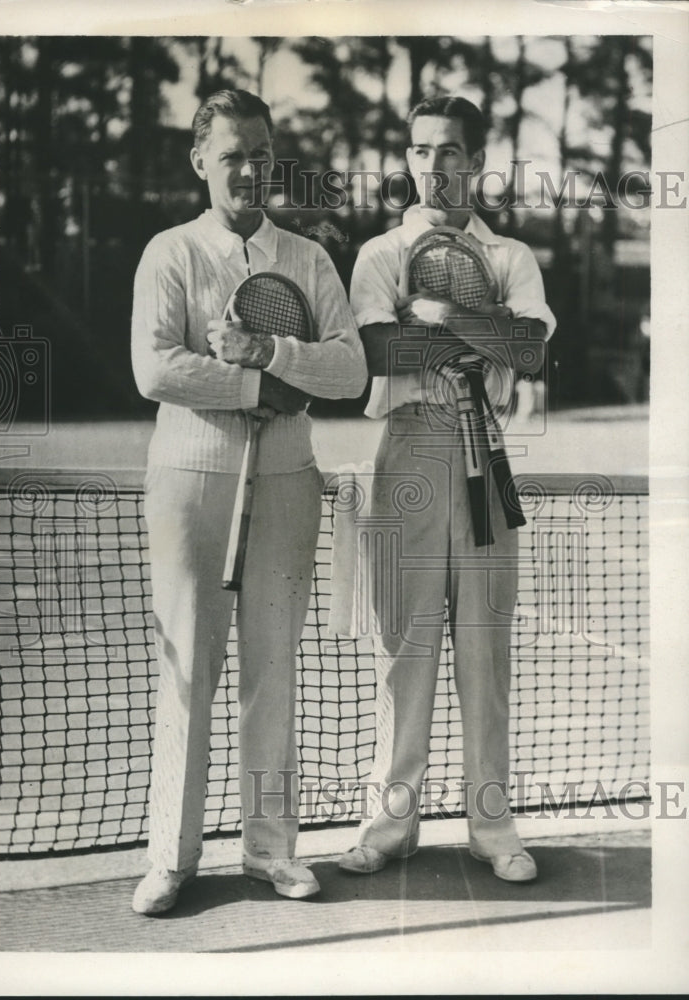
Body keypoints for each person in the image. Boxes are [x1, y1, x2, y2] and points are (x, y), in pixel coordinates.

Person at [130, 89, 367, 914]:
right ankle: (173, 857)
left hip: (289, 481)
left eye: (262, 152)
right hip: (191, 481)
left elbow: (351, 371)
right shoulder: (169, 252)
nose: (250, 168)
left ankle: (273, 853)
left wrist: (269, 348)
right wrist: (250, 385)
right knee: (187, 670)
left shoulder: (308, 258)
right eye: (232, 153)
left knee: (273, 671)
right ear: (200, 160)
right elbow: (155, 369)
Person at [340, 95, 556, 881]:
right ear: (408, 159)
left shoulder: (512, 256)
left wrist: (442, 308)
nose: (436, 165)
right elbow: (379, 350)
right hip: (407, 452)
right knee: (403, 651)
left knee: (485, 651)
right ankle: (389, 827)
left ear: (475, 163)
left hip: (484, 451)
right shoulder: (377, 252)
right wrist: (477, 323)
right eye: (423, 150)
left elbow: (529, 352)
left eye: (452, 151)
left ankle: (492, 829)